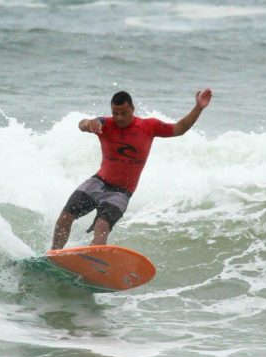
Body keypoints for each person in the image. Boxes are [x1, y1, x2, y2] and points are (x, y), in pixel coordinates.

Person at [51, 88, 213, 250]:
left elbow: (180, 128)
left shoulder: (148, 126)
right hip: (98, 182)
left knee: (102, 227)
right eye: (115, 113)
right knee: (65, 217)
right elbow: (82, 124)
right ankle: (54, 254)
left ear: (132, 109)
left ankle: (94, 262)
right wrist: (89, 123)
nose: (119, 118)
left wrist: (199, 107)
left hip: (121, 191)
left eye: (124, 113)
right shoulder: (104, 124)